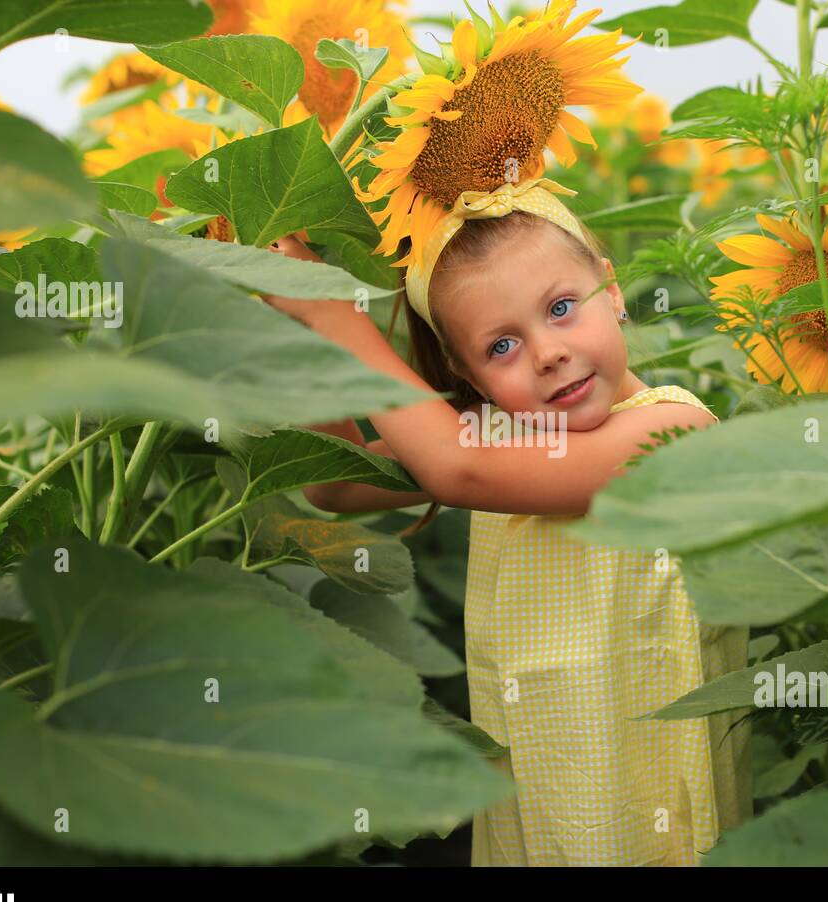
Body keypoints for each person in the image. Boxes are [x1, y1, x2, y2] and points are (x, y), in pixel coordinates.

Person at [262, 176, 753, 865]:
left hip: (649, 798)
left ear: (612, 289)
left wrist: (338, 318)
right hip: (546, 791)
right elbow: (337, 482)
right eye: (501, 347)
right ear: (468, 374)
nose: (547, 353)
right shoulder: (498, 433)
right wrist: (299, 328)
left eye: (560, 307)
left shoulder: (674, 431)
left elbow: (455, 468)